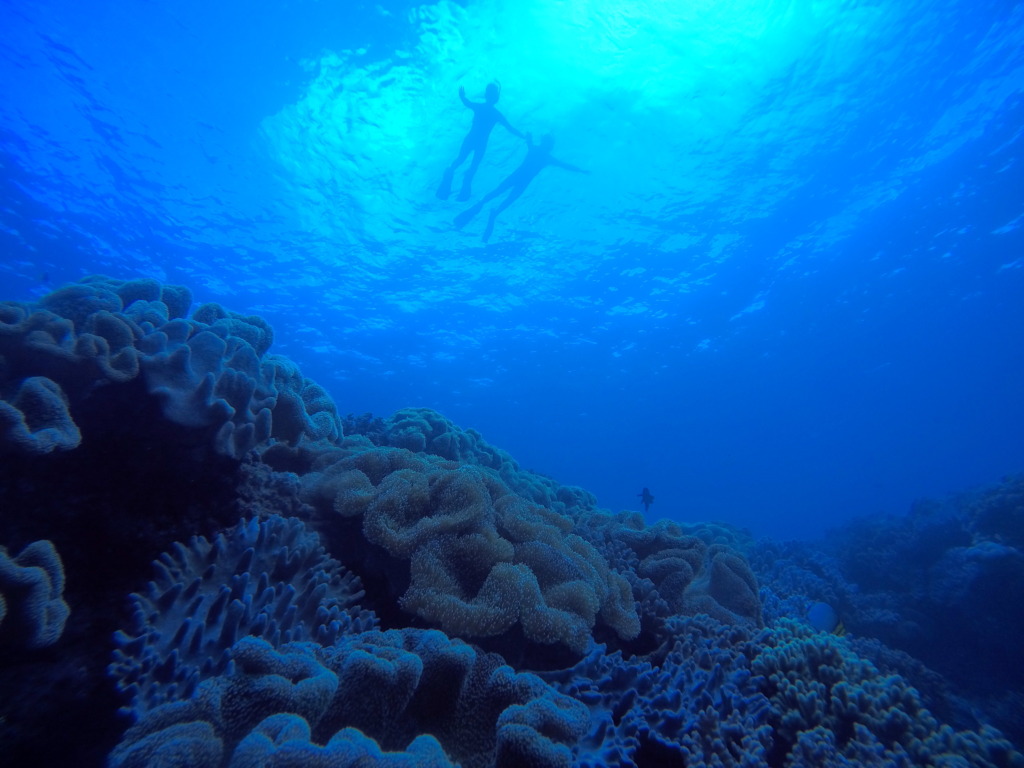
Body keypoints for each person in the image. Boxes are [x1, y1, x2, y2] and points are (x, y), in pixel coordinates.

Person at [453, 133, 588, 241]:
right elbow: (564, 164)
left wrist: (580, 170)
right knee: (499, 194)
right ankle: (484, 207)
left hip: (519, 180)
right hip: (519, 179)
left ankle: (491, 212)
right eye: (546, 142)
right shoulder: (543, 154)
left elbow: (565, 165)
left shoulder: (542, 153)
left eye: (547, 142)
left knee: (506, 199)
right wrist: (580, 170)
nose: (546, 144)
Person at [437, 82, 524, 202]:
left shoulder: (484, 109)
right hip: (479, 143)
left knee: (463, 161)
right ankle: (458, 181)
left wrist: (462, 97)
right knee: (468, 164)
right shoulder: (495, 113)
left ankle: (452, 179)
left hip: (472, 140)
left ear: (486, 95)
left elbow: (467, 103)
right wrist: (523, 136)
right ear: (495, 97)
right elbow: (510, 128)